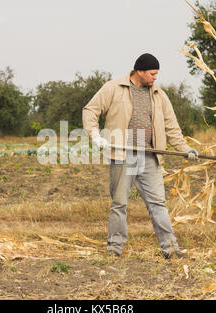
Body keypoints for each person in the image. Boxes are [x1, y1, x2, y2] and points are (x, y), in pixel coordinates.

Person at [82, 53, 198, 259]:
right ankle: (114, 250)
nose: (155, 78)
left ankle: (171, 249)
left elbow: (172, 126)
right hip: (123, 154)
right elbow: (90, 110)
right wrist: (96, 136)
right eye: (152, 74)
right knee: (119, 204)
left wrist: (185, 149)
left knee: (158, 204)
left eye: (157, 74)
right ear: (140, 71)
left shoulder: (159, 95)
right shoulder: (113, 88)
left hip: (149, 157)